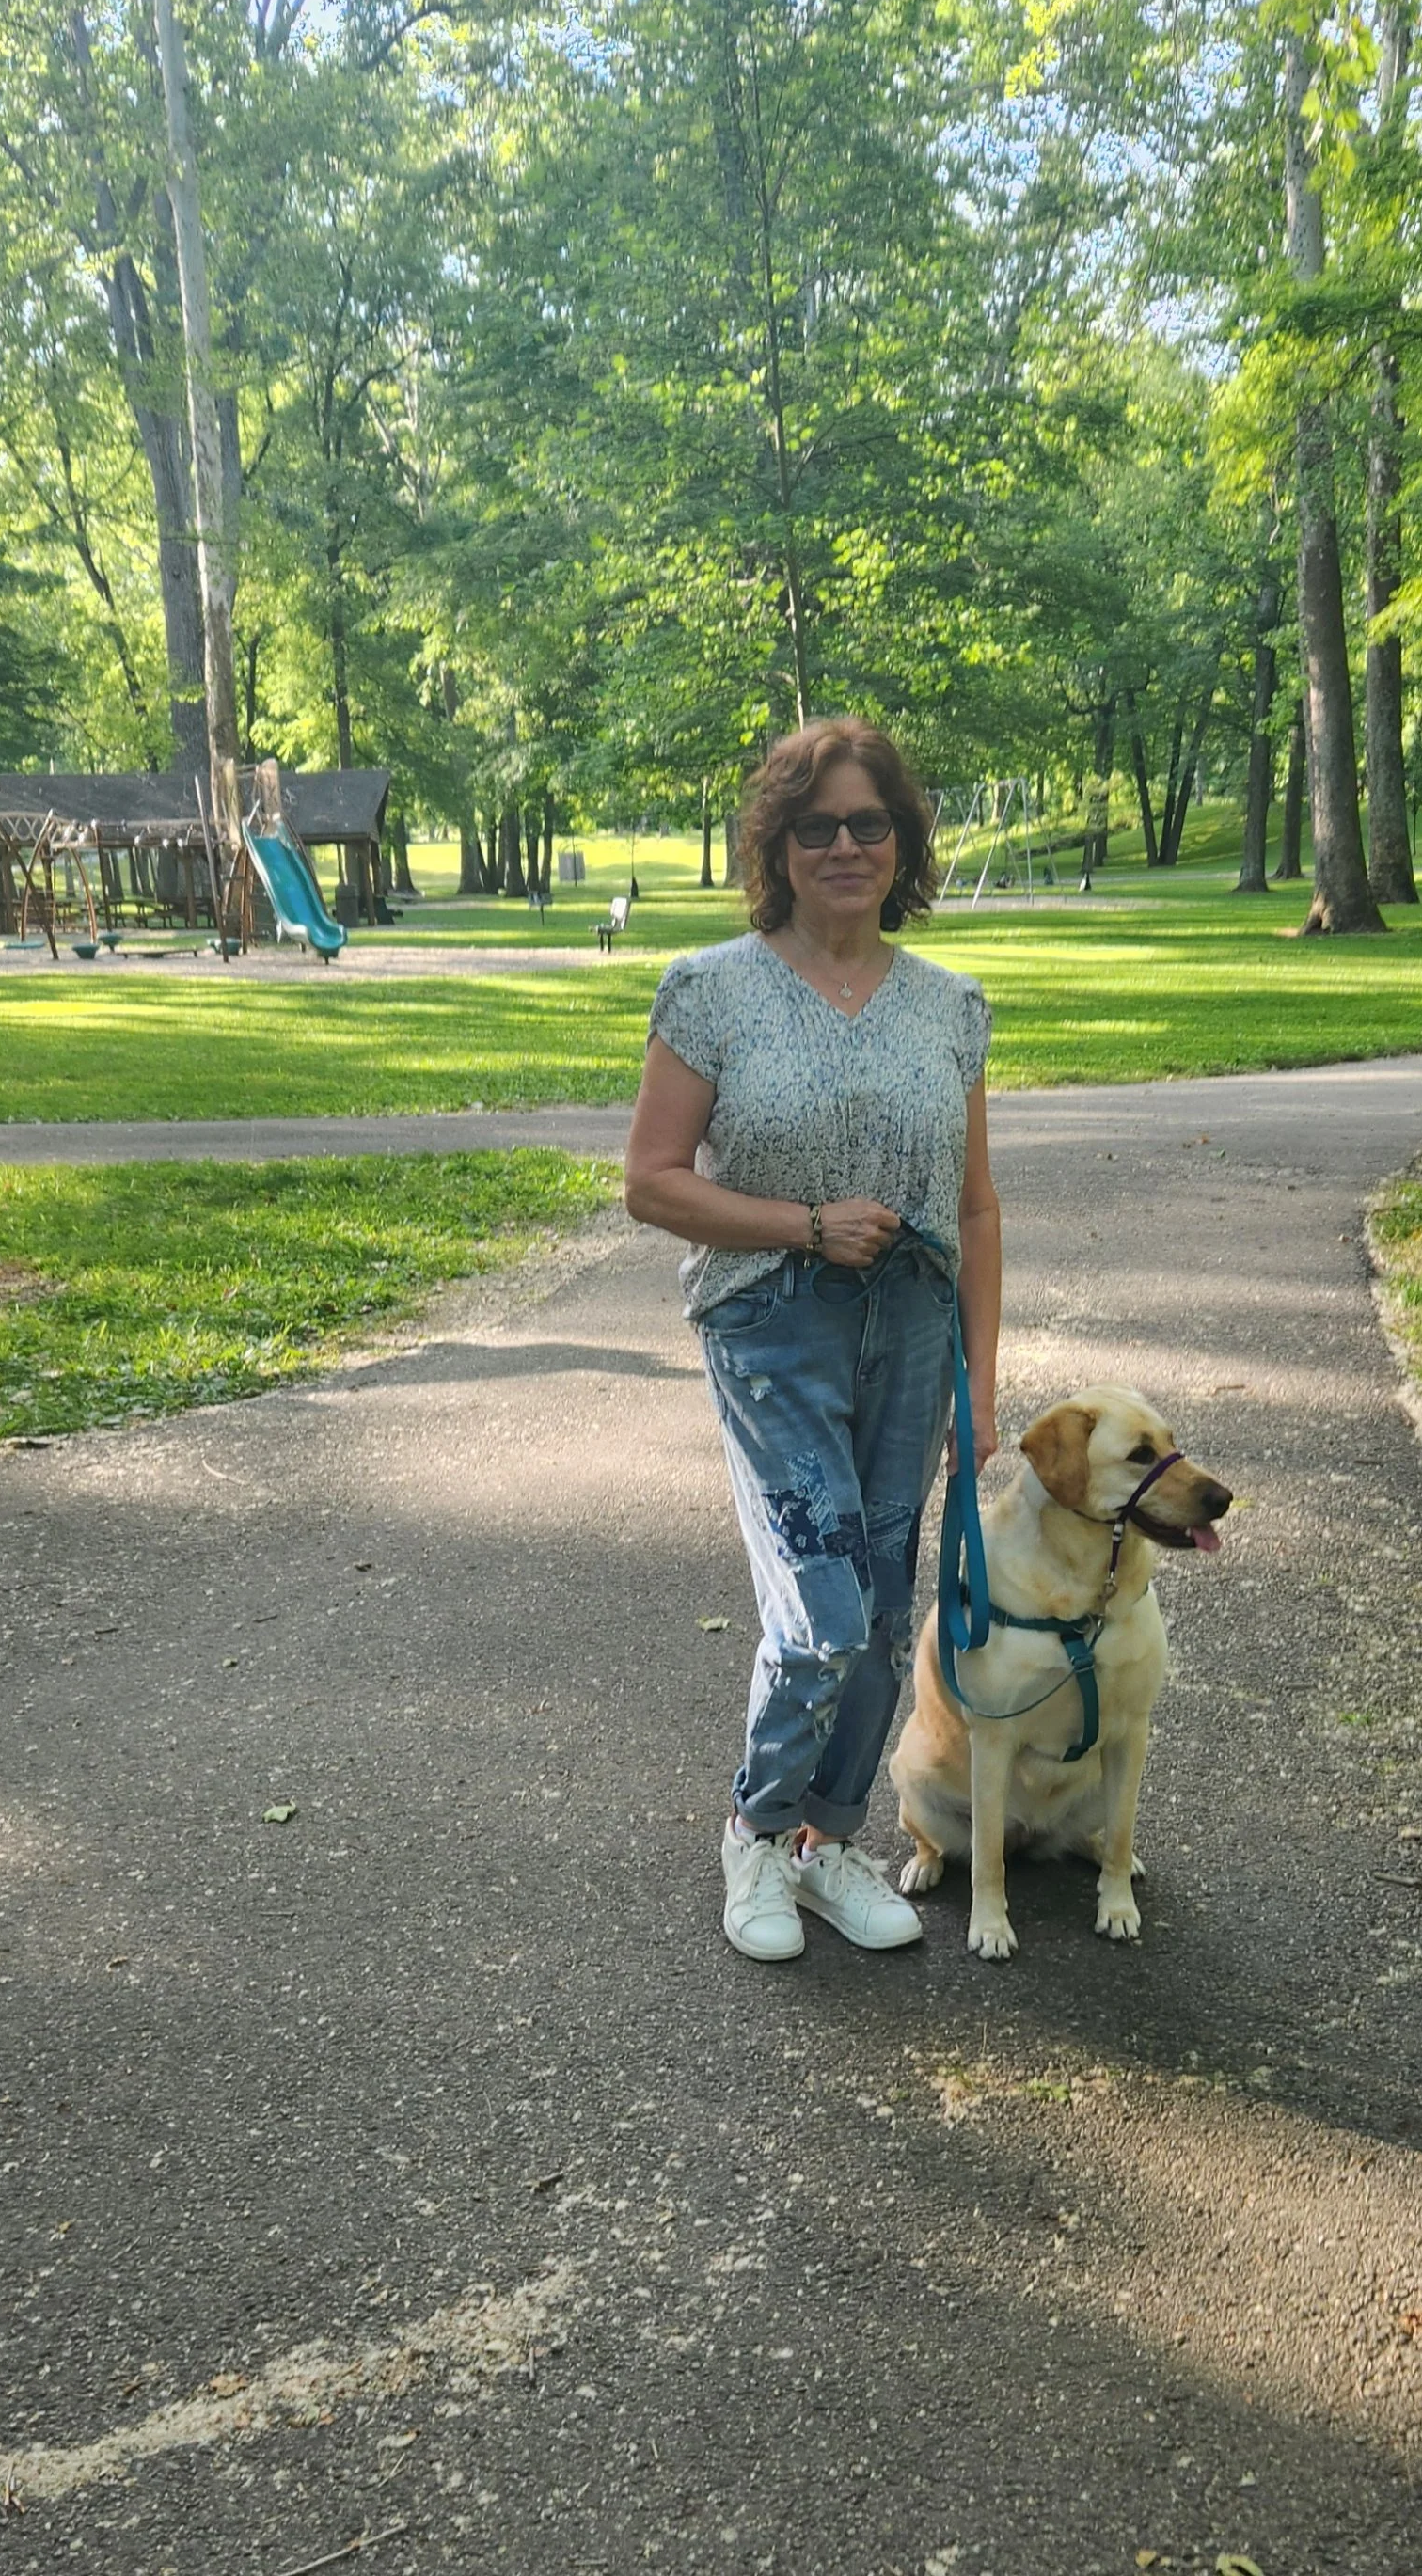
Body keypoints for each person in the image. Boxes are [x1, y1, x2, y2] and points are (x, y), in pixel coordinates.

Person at [623, 718, 1002, 1962]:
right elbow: (653, 1182)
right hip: (771, 1319)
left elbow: (979, 1206)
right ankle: (755, 1825)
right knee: (823, 1613)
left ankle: (824, 1844)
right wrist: (803, 1225)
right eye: (817, 826)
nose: (846, 845)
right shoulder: (713, 990)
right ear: (777, 848)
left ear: (902, 843)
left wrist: (979, 1387)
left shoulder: (950, 1007)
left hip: (914, 1323)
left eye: (869, 823)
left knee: (886, 1608)